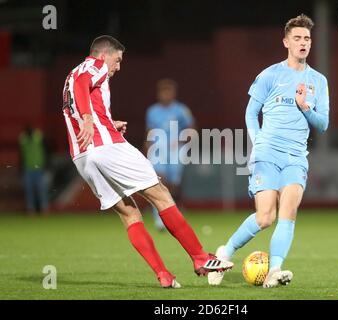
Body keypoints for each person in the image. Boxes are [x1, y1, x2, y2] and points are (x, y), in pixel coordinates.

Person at [62, 35, 233, 288]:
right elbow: (84, 87)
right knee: (161, 194)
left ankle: (163, 275)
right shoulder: (93, 66)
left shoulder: (70, 75)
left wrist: (108, 123)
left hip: (83, 156)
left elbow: (78, 98)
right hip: (106, 147)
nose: (118, 67)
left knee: (130, 214)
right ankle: (200, 258)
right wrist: (89, 119)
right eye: (117, 60)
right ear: (103, 55)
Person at [208, 14, 329, 288]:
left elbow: (323, 124)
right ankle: (224, 254)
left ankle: (275, 270)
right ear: (286, 42)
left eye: (307, 38)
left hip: (296, 157)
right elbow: (251, 113)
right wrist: (257, 142)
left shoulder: (318, 82)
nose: (303, 43)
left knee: (288, 212)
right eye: (297, 38)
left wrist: (305, 107)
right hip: (268, 152)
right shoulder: (270, 75)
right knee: (265, 218)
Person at [145, 79, 194, 231]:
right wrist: (147, 148)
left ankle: (170, 211)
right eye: (163, 91)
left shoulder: (181, 110)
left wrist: (181, 141)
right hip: (158, 150)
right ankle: (160, 216)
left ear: (173, 93)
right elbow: (148, 132)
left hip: (175, 150)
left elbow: (191, 129)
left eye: (168, 91)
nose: (165, 94)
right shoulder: (152, 111)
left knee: (173, 184)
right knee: (160, 180)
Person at [19, 125, 49, 213]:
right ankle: (31, 209)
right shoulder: (23, 139)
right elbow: (21, 154)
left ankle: (44, 209)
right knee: (29, 191)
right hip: (28, 168)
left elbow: (46, 150)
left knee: (41, 190)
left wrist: (47, 164)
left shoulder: (38, 137)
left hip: (39, 167)